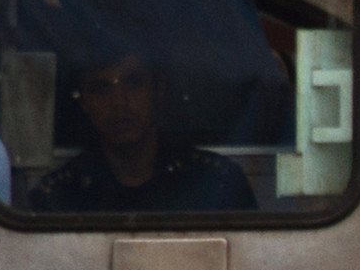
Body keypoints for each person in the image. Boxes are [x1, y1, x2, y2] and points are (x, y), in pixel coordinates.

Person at [27, 51, 255, 214]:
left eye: (133, 83)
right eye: (101, 89)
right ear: (84, 102)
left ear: (158, 90)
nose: (119, 103)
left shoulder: (216, 183)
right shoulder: (59, 197)